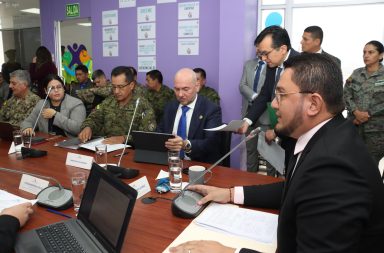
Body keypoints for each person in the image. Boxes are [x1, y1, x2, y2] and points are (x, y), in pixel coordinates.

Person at [170, 53, 384, 253]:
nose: (273, 104)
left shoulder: (334, 169)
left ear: (313, 104)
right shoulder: (327, 135)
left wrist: (230, 252)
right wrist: (230, 194)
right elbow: (295, 188)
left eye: (281, 95)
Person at [238, 25, 299, 176]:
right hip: (277, 122)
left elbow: (300, 108)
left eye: (266, 54)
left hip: (296, 133)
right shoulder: (272, 65)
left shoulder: (302, 64)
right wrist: (248, 120)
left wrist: (277, 130)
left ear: (282, 49)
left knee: (293, 170)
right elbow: (265, 95)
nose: (263, 59)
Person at [157, 68, 222, 163]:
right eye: (176, 89)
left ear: (197, 87)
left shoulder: (210, 109)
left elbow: (211, 142)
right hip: (169, 162)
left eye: (185, 89)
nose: (180, 94)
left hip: (198, 165)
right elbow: (160, 132)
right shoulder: (170, 107)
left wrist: (185, 144)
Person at [78, 66, 156, 144]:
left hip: (131, 151)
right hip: (106, 147)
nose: (116, 91)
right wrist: (88, 127)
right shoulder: (108, 101)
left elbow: (147, 135)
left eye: (121, 87)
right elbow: (94, 117)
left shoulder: (143, 105)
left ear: (131, 85)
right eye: (114, 86)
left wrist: (124, 139)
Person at [344, 40, 384, 164]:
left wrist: (368, 114)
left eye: (371, 52)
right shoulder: (356, 73)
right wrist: (356, 112)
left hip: (375, 132)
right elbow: (346, 93)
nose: (366, 55)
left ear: (381, 55)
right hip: (354, 126)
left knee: (370, 165)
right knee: (350, 163)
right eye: (364, 52)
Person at [239, 38, 270, 173]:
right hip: (248, 114)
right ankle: (250, 180)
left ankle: (271, 183)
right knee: (250, 151)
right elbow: (242, 85)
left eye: (260, 47)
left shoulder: (273, 67)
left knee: (269, 153)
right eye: (257, 47)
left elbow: (271, 90)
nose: (258, 50)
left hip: (266, 116)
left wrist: (261, 101)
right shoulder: (249, 64)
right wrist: (256, 98)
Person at [21, 74, 86, 137]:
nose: (56, 90)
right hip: (46, 143)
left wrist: (55, 115)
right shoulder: (41, 104)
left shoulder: (76, 103)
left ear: (63, 88)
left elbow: (78, 129)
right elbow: (27, 122)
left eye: (59, 87)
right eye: (51, 88)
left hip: (69, 144)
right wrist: (27, 127)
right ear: (46, 91)